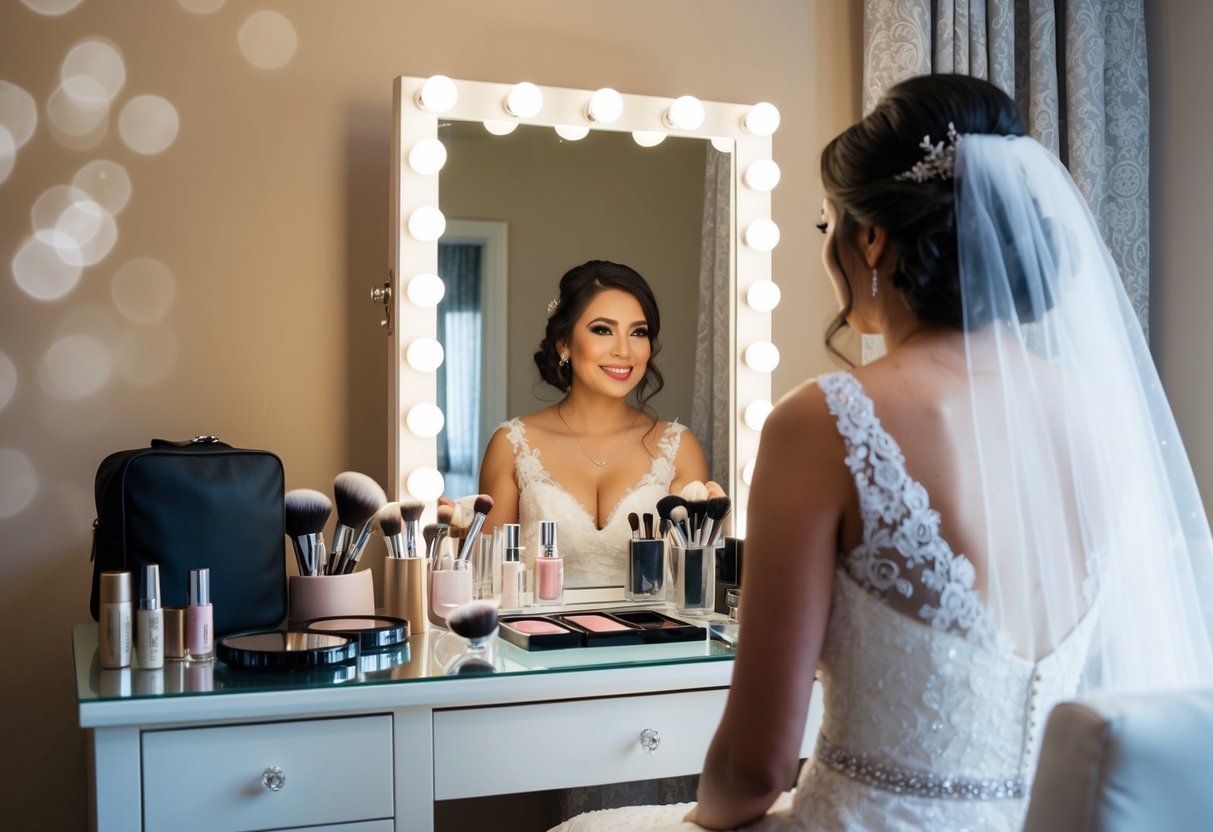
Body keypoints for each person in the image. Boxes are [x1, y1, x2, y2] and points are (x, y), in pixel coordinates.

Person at [551, 74, 1213, 832]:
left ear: (870, 238)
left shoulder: (824, 421)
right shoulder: (1094, 416)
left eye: (829, 223)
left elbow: (754, 769)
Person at [479, 259, 710, 586]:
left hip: (656, 637)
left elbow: (692, 583)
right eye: (603, 329)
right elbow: (488, 584)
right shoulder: (512, 444)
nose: (624, 350)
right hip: (537, 636)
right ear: (564, 343)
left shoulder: (679, 448)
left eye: (638, 332)